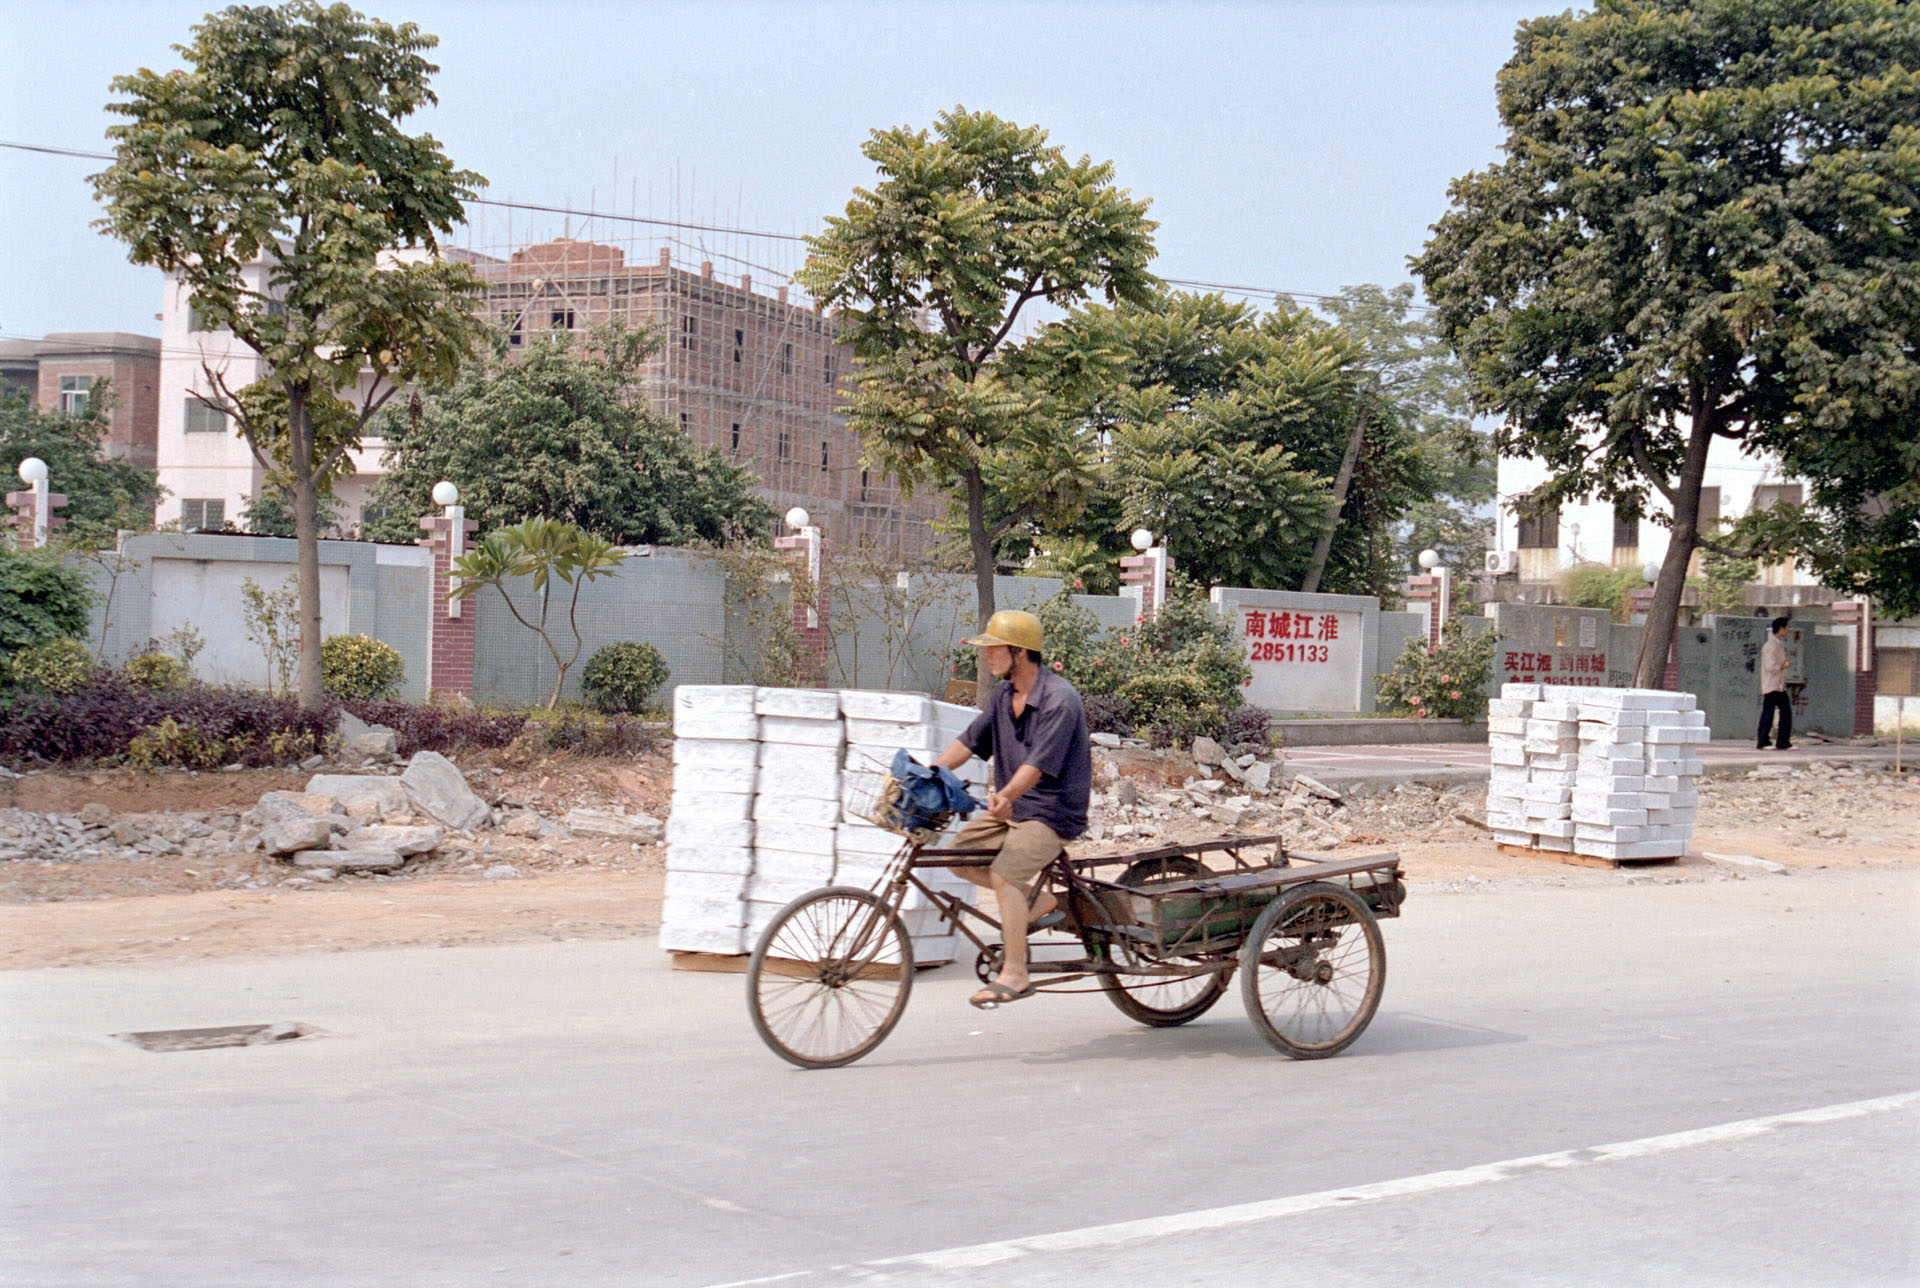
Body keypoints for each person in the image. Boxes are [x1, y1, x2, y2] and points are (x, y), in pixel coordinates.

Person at [933, 609, 1091, 1009]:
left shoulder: (1059, 700)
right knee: (957, 856)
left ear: (1019, 653)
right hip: (1015, 808)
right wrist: (929, 771)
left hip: (1052, 813)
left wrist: (1008, 796)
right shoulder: (1004, 696)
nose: (985, 657)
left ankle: (1016, 972)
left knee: (1005, 872)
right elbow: (969, 742)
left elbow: (1036, 765)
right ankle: (1035, 902)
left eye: (993, 649)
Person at [1756, 616, 1794, 751]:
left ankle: (1783, 742)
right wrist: (1784, 665)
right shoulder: (1770, 646)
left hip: (1779, 685)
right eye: (1787, 627)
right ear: (1781, 628)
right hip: (1771, 685)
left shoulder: (1779, 644)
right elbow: (1770, 667)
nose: (1788, 630)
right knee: (1768, 713)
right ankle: (1763, 741)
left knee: (1785, 712)